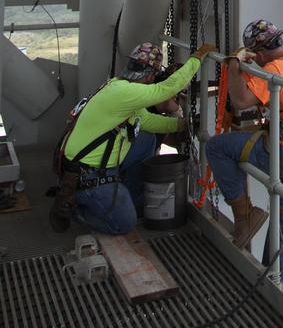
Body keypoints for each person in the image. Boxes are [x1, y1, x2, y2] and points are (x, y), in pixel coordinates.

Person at [53, 40, 216, 235]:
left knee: (146, 140)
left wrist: (180, 125)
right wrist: (197, 58)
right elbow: (167, 88)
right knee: (124, 224)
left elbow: (145, 121)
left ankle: (127, 196)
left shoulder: (118, 85)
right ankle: (73, 207)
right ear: (150, 75)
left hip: (84, 166)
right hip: (88, 175)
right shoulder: (125, 92)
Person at [205, 19, 283, 258]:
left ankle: (245, 218)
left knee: (216, 147)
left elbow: (242, 101)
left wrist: (234, 66)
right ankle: (273, 280)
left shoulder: (277, 70)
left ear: (259, 53)